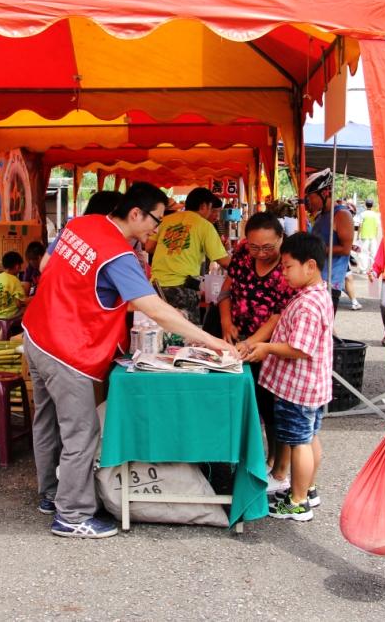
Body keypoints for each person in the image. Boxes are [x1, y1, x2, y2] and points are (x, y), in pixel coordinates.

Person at [22, 182, 238, 539]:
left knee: (46, 422)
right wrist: (211, 341)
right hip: (66, 349)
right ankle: (72, 515)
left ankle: (50, 495)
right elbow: (154, 308)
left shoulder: (79, 224)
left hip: (36, 334)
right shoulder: (118, 254)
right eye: (156, 219)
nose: (158, 227)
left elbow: (47, 265)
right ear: (135, 213)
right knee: (81, 432)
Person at [238, 232, 332, 522]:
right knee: (309, 437)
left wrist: (266, 347)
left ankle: (298, 501)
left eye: (288, 266)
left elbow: (299, 349)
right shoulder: (315, 295)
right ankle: (308, 489)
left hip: (298, 389)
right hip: (310, 387)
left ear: (310, 266)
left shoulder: (306, 304)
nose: (283, 272)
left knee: (299, 442)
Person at [217, 212, 295, 473]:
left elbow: (277, 316)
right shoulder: (242, 255)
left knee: (270, 406)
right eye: (254, 247)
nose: (260, 253)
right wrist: (226, 322)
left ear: (281, 239)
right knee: (238, 402)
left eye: (268, 247)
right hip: (239, 339)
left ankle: (275, 464)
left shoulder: (287, 266)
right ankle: (243, 460)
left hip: (269, 348)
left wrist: (251, 343)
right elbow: (226, 289)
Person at [149, 187, 231, 324]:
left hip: (155, 286)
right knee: (186, 337)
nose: (211, 212)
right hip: (183, 289)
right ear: (204, 206)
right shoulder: (204, 226)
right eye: (211, 208)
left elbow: (149, 247)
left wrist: (171, 249)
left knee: (158, 332)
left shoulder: (166, 220)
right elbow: (224, 262)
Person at [304, 169, 354, 315]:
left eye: (311, 197)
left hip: (330, 283)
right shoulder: (321, 215)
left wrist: (315, 250)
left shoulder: (341, 215)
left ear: (325, 193)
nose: (309, 202)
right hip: (316, 280)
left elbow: (345, 249)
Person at [0, 251, 28, 320]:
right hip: (10, 315)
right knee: (27, 310)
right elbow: (18, 304)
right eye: (20, 267)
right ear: (17, 266)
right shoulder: (15, 280)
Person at [357, 198, 381, 274]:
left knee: (363, 253)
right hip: (373, 236)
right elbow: (377, 226)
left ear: (365, 205)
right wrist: (376, 235)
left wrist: (358, 235)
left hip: (364, 235)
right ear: (372, 205)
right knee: (373, 253)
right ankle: (373, 269)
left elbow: (360, 225)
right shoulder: (375, 215)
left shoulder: (363, 214)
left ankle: (363, 269)